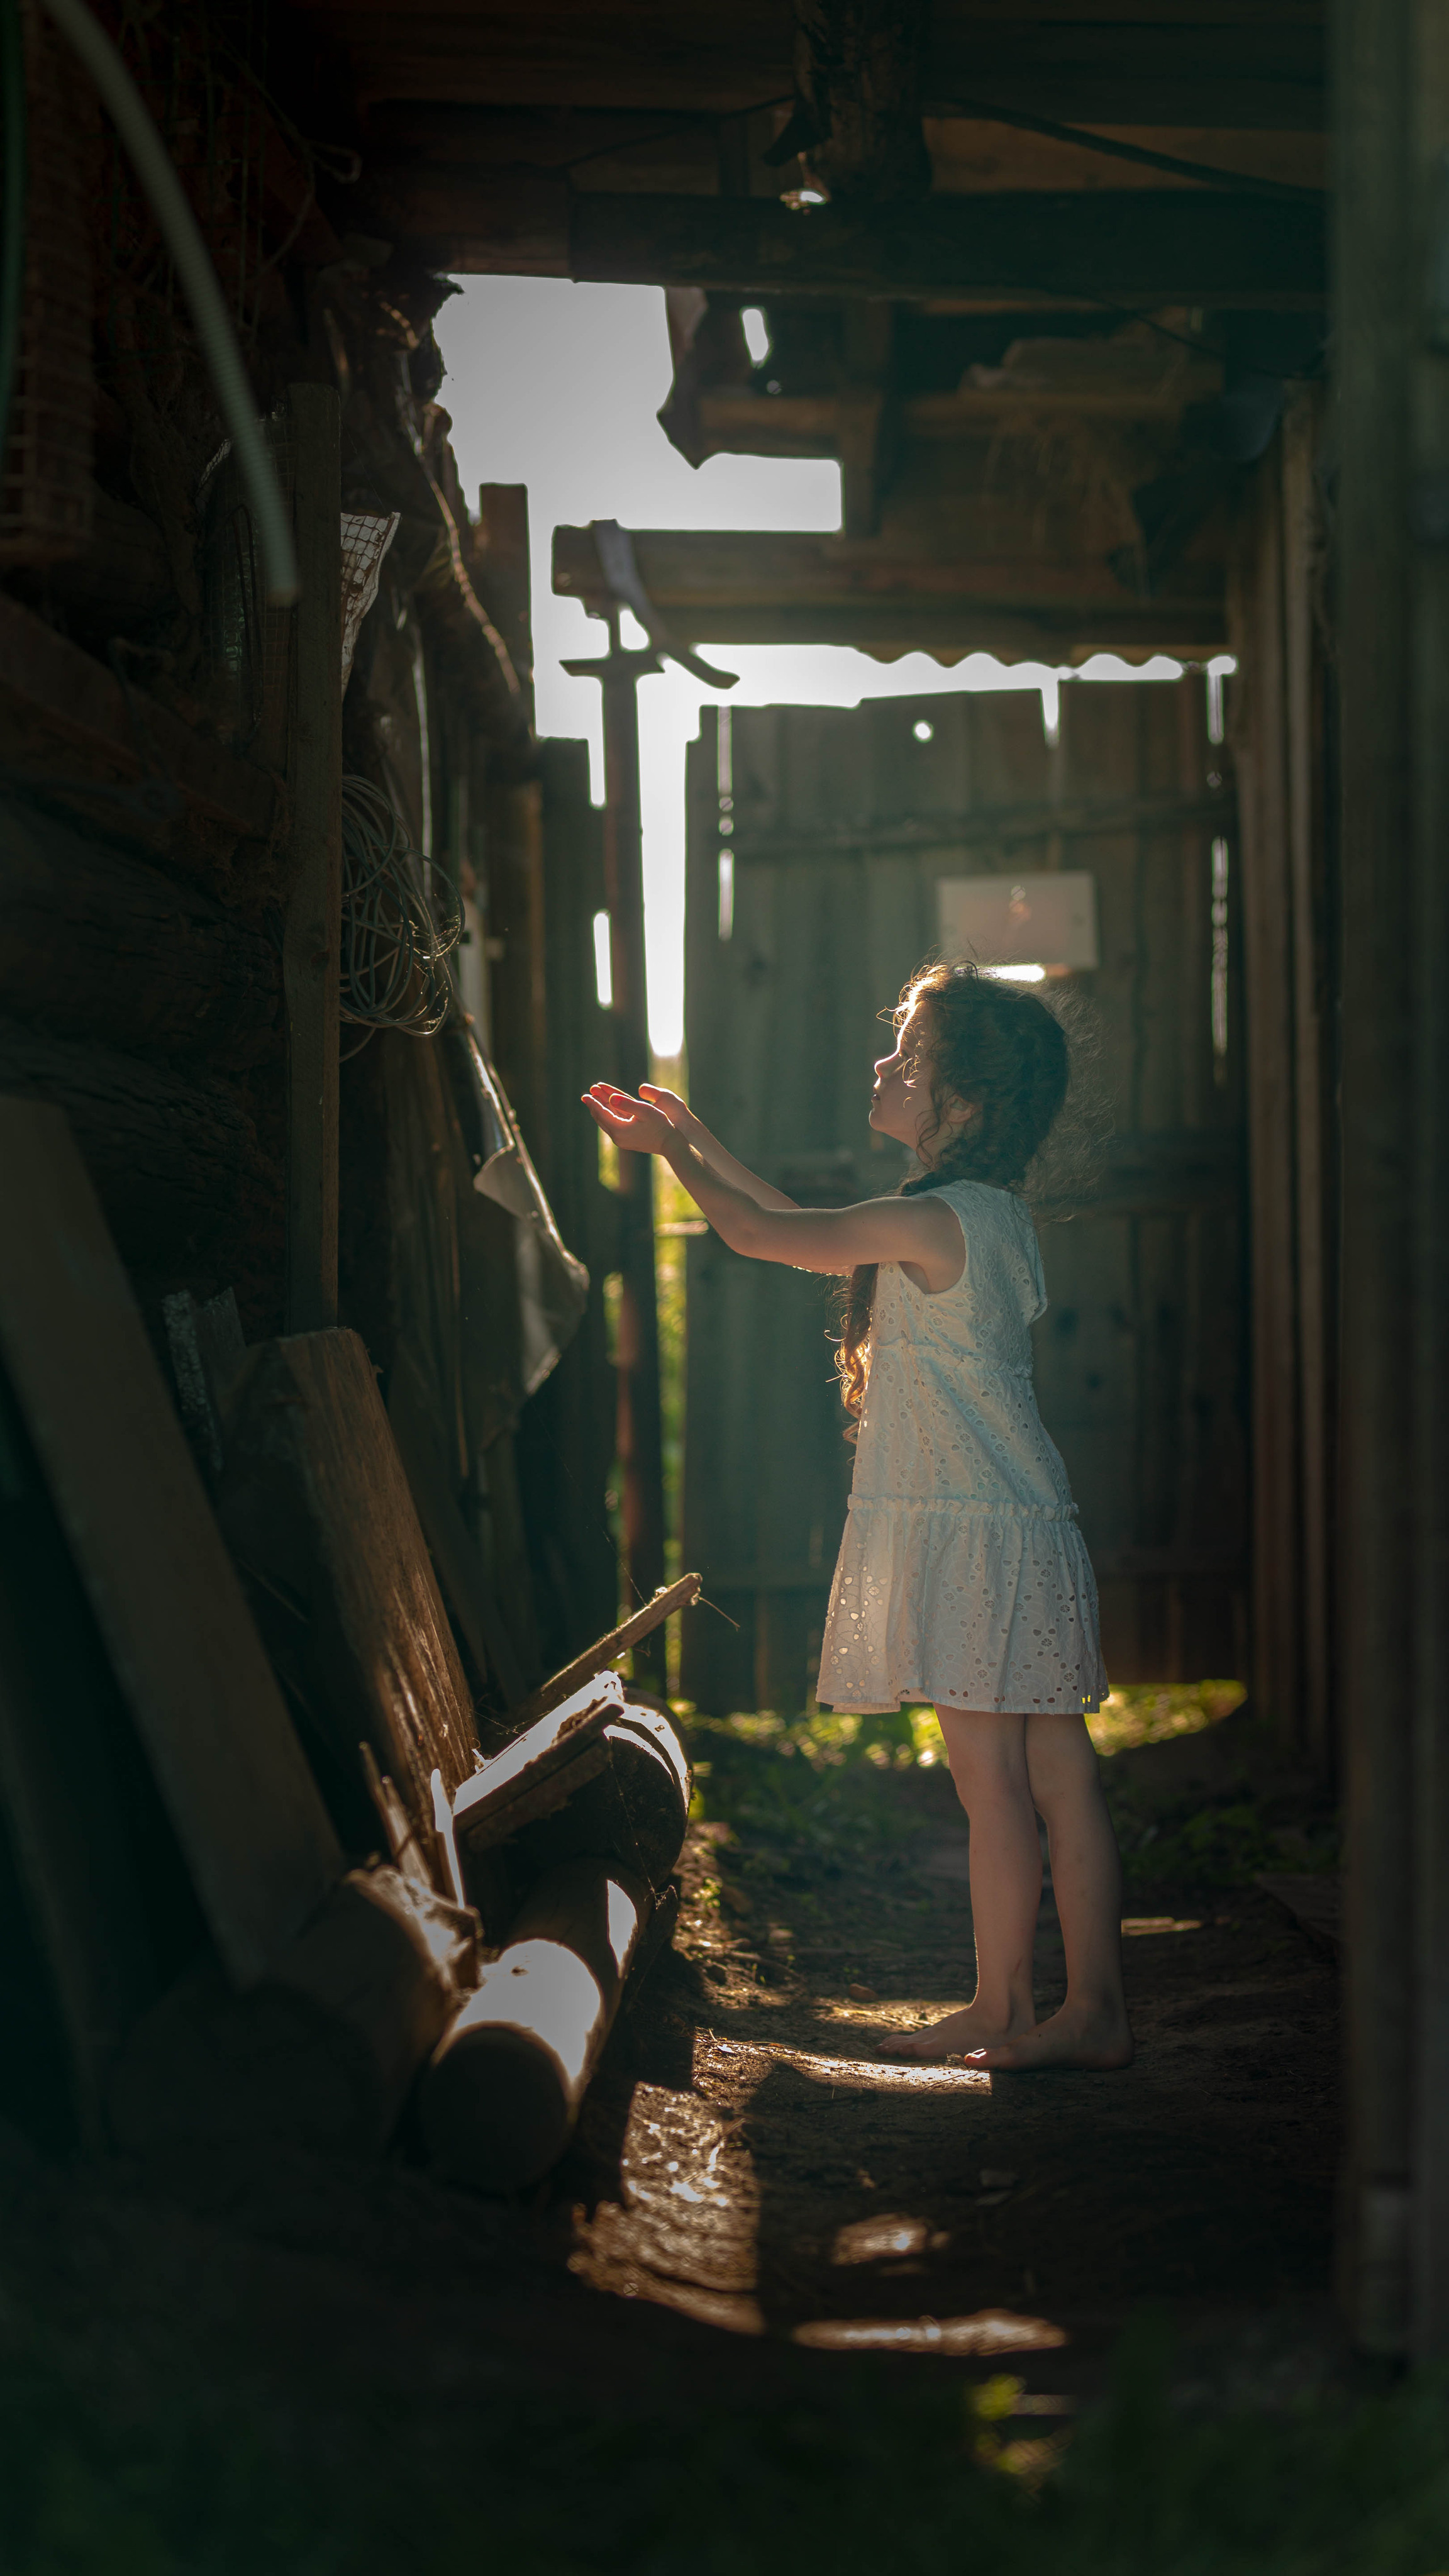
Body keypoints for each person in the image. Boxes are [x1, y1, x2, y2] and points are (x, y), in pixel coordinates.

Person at [583, 960, 1131, 2074]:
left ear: (963, 1102)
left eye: (910, 1058)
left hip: (982, 1528)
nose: (885, 1065)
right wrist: (690, 1130)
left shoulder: (938, 1220)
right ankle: (1059, 2012)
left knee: (997, 1788)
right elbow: (782, 1216)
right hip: (1018, 1518)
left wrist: (676, 1152)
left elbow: (754, 1235)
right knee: (1052, 1779)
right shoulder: (985, 1214)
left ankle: (1029, 2011)